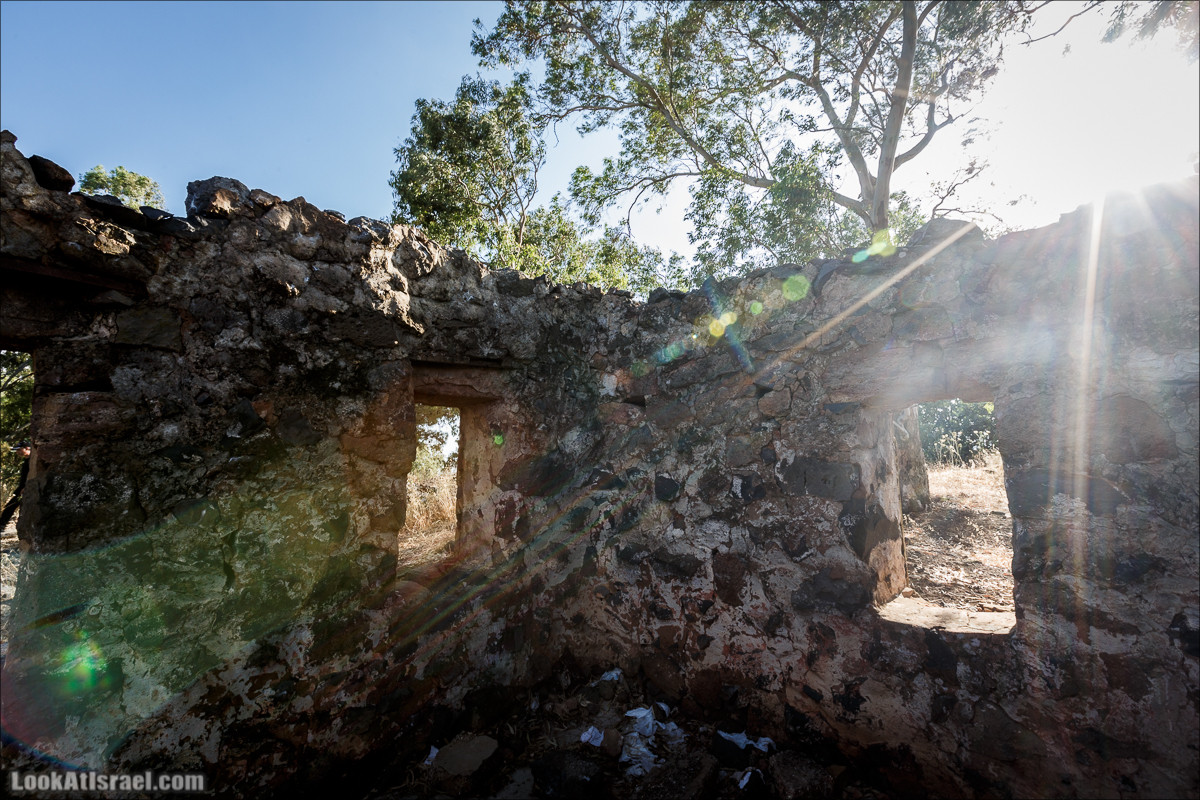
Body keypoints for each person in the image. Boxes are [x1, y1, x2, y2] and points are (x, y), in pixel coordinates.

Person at [0, 440, 31, 531]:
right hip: (22, 488)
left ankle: (2, 525)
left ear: (27, 448)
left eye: (19, 450)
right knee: (10, 507)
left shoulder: (31, 460)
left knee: (11, 506)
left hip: (25, 488)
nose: (17, 452)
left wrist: (25, 487)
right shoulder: (27, 460)